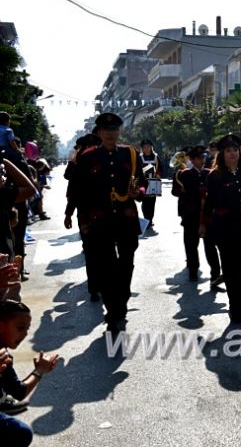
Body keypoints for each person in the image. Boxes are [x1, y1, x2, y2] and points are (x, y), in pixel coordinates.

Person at [71, 113, 146, 333]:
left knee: (126, 263)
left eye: (114, 129)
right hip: (101, 221)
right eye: (107, 130)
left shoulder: (130, 154)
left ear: (119, 131)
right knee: (106, 267)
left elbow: (142, 182)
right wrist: (83, 220)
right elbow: (80, 192)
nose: (111, 133)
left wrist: (138, 192)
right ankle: (113, 309)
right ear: (99, 133)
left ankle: (121, 299)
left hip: (126, 218)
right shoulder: (87, 157)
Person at [200, 135, 241, 324]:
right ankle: (236, 309)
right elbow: (209, 203)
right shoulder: (215, 175)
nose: (232, 153)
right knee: (233, 270)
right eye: (228, 151)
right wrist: (203, 224)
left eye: (235, 150)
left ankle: (228, 275)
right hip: (224, 228)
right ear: (222, 154)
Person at [0, 300, 59, 447]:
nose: (25, 334)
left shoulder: (3, 354)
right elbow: (19, 392)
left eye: (27, 329)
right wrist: (39, 371)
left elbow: (17, 391)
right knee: (20, 433)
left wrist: (39, 371)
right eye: (20, 328)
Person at [173, 145, 222, 285]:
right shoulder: (183, 174)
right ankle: (193, 271)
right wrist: (185, 192)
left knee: (210, 245)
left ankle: (215, 275)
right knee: (191, 244)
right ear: (192, 160)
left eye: (204, 157)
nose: (202, 160)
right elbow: (175, 191)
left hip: (207, 215)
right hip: (191, 214)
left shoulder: (211, 173)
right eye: (199, 158)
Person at [64, 133, 103, 300]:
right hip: (86, 214)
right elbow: (73, 189)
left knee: (103, 251)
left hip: (106, 214)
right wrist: (68, 213)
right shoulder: (78, 163)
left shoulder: (107, 160)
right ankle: (94, 288)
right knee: (91, 251)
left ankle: (101, 284)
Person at [139, 139, 162, 228]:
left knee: (152, 202)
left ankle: (150, 219)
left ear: (151, 147)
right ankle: (146, 219)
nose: (147, 148)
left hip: (154, 181)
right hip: (143, 182)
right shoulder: (139, 157)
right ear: (142, 148)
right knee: (145, 202)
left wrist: (159, 174)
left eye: (148, 146)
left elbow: (160, 168)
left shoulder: (156, 157)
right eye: (144, 147)